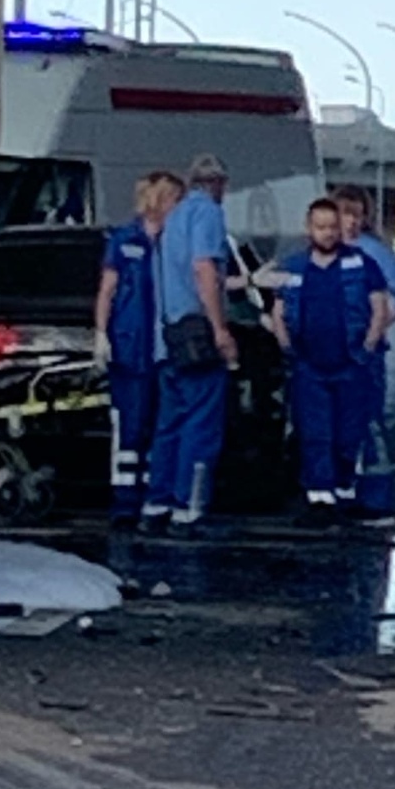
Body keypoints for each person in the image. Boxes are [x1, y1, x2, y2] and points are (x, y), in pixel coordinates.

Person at [270, 197, 393, 523]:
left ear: (340, 229)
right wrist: (286, 345)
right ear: (309, 228)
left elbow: (379, 307)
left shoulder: (362, 265)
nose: (326, 233)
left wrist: (367, 347)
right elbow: (278, 312)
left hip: (350, 365)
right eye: (320, 227)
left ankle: (344, 491)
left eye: (332, 227)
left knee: (348, 433)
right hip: (309, 367)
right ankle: (319, 500)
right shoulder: (294, 268)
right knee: (314, 433)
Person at [140, 153, 241, 537]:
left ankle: (157, 503)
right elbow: (204, 270)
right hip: (196, 337)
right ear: (219, 185)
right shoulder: (207, 215)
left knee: (169, 425)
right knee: (202, 424)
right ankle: (189, 508)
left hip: (167, 340)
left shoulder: (173, 218)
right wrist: (220, 330)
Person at [330, 182, 395, 522]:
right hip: (331, 353)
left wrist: (380, 322)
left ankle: (377, 500)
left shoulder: (370, 252)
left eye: (355, 214)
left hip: (364, 354)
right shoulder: (324, 253)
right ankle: (342, 493)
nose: (348, 222)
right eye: (343, 213)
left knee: (368, 424)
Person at [93, 171, 182, 526]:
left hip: (163, 348)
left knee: (160, 426)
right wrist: (101, 333)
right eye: (174, 198)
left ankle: (154, 497)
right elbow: (108, 290)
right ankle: (125, 501)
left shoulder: (174, 242)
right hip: (130, 346)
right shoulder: (124, 240)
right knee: (129, 426)